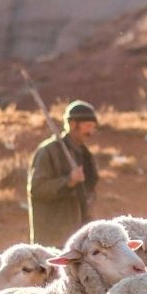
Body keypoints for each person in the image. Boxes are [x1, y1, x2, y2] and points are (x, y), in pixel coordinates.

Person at [27, 100, 100, 244]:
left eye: (93, 127)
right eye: (88, 126)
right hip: (52, 237)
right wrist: (68, 181)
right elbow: (36, 189)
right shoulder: (48, 152)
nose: (91, 132)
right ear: (73, 124)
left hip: (80, 236)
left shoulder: (86, 155)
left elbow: (90, 190)